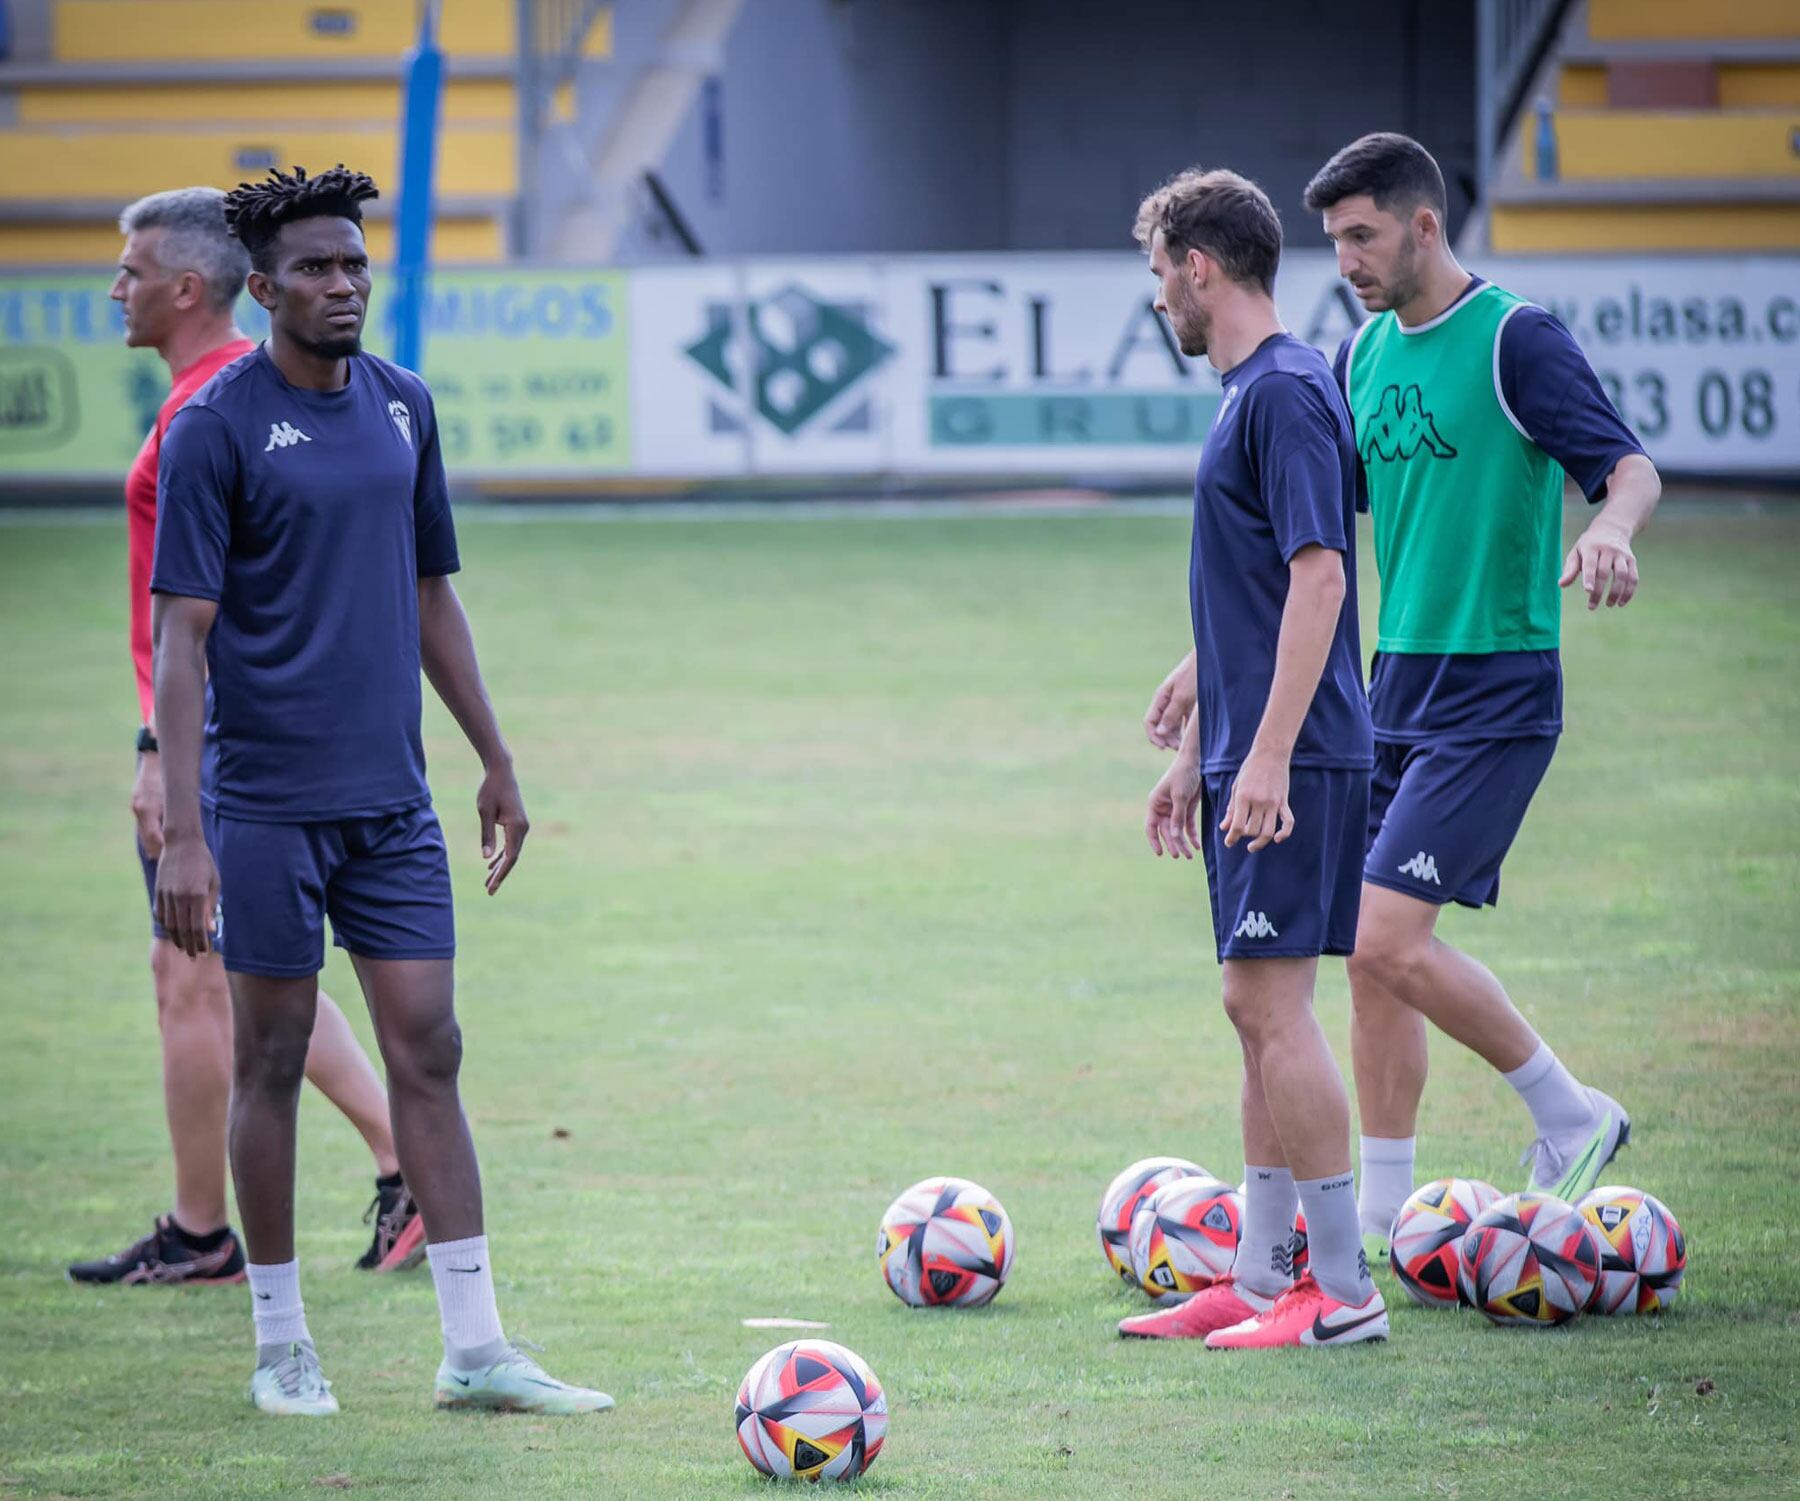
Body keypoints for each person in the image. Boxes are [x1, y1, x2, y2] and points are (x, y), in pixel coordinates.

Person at [151, 164, 610, 1418]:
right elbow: (183, 639)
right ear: (263, 290)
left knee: (432, 1048)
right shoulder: (215, 427)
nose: (343, 284)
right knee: (271, 1058)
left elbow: (430, 595)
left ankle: (475, 1348)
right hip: (263, 806)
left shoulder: (405, 405)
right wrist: (184, 831)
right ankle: (281, 1343)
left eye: (354, 263)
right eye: (315, 267)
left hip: (392, 805)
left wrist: (494, 756)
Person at [70, 187, 422, 1289]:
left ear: (189, 288)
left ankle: (217, 1227)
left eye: (131, 272)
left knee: (208, 974)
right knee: (221, 972)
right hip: (220, 755)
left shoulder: (217, 412)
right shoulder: (208, 401)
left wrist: (160, 760)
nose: (115, 290)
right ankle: (256, 1208)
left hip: (233, 763)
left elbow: (212, 623)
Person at [1119, 169, 1387, 1349]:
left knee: (1267, 1001)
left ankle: (1342, 1290)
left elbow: (1320, 578)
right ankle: (1263, 1273)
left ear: (1199, 267)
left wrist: (1268, 754)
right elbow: (1260, 590)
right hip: (1252, 749)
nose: (1157, 301)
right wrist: (1201, 746)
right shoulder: (1255, 392)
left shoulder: (1283, 390)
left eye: (1159, 274)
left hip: (1299, 753)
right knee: (1255, 1009)